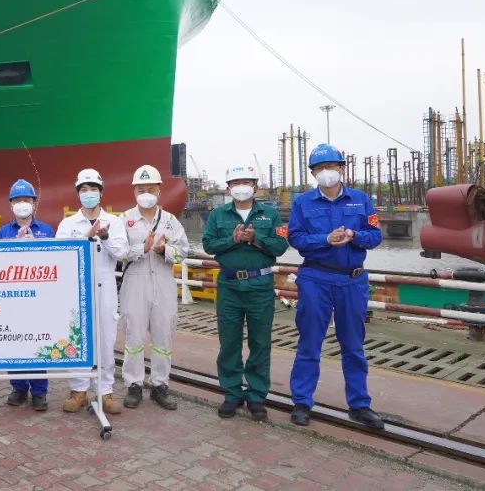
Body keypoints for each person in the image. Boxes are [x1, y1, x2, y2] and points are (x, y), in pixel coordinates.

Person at [288, 143, 384, 429]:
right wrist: (325, 240)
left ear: (342, 169)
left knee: (353, 344)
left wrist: (354, 234)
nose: (326, 172)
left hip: (352, 280)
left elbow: (375, 236)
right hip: (315, 278)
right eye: (320, 168)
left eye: (331, 166)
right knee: (309, 341)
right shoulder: (302, 203)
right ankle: (302, 402)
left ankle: (359, 404)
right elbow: (295, 238)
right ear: (313, 174)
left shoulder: (361, 200)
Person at [202, 162, 288, 421]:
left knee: (260, 342)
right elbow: (208, 245)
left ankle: (256, 395)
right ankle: (232, 393)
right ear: (228, 188)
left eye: (246, 183)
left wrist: (255, 239)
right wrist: (233, 239)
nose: (241, 187)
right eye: (236, 183)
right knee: (229, 341)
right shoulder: (218, 215)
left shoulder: (270, 215)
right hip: (229, 286)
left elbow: (281, 245)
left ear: (255, 187)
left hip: (260, 285)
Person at [55, 168, 129, 415]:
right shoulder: (67, 224)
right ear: (78, 193)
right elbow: (60, 255)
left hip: (105, 285)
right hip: (76, 286)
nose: (89, 193)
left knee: (106, 338)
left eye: (93, 189)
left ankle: (105, 391)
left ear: (101, 192)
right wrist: (85, 239)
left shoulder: (114, 222)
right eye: (84, 189)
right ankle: (78, 390)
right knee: (76, 338)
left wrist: (105, 238)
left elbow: (122, 252)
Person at [119, 165, 189, 411]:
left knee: (163, 336)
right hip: (134, 282)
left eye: (151, 189)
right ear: (134, 192)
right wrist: (143, 248)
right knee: (134, 336)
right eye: (141, 190)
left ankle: (160, 385)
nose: (146, 193)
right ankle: (134, 384)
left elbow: (183, 251)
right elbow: (118, 252)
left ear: (159, 190)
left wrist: (164, 250)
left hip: (163, 281)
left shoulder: (170, 221)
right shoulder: (123, 220)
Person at [0, 178, 54, 411]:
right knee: (13, 342)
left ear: (34, 203)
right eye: (17, 200)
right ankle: (18, 388)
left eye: (26, 200)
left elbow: (55, 262)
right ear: (11, 204)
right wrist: (14, 247)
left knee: (38, 342)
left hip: (39, 298)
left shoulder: (46, 230)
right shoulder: (2, 232)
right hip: (11, 298)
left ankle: (39, 392)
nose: (22, 204)